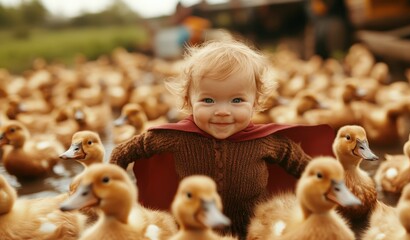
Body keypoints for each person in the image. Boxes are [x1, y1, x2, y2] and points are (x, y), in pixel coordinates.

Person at [109, 40, 335, 239]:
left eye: (237, 100)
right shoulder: (176, 138)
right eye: (208, 100)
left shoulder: (266, 142)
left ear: (255, 103)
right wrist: (114, 188)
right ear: (189, 101)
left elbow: (307, 168)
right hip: (196, 230)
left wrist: (329, 190)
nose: (222, 111)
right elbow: (125, 150)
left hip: (251, 230)